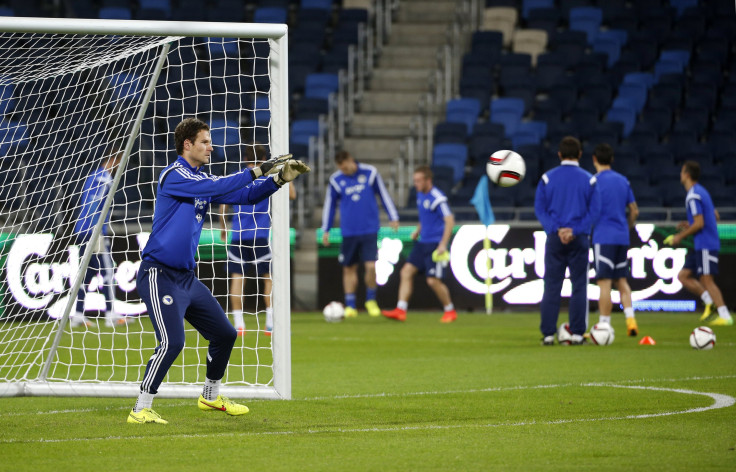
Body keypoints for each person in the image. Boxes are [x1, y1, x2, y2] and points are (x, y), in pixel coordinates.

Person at [128, 118, 310, 424]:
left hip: (185, 277)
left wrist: (278, 180)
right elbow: (221, 185)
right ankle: (140, 408)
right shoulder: (174, 175)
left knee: (224, 333)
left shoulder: (202, 180)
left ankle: (210, 397)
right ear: (187, 145)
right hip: (159, 275)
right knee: (172, 342)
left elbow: (245, 195)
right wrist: (259, 169)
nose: (211, 147)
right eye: (204, 142)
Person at [219, 144, 296, 337]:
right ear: (265, 158)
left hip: (238, 235)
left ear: (246, 158)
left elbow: (223, 205)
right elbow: (292, 195)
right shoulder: (269, 176)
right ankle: (270, 322)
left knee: (237, 278)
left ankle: (239, 324)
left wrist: (223, 228)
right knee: (267, 278)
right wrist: (286, 169)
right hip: (261, 235)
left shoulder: (238, 176)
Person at [534, 136, 601, 345]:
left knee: (552, 285)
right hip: (579, 239)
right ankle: (577, 333)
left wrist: (557, 229)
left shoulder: (547, 178)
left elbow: (540, 210)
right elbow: (595, 212)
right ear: (580, 154)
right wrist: (575, 230)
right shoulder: (589, 180)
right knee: (579, 285)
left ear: (559, 154)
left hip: (555, 239)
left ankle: (547, 334)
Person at [321, 151, 399, 318]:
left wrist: (393, 216)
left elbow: (383, 194)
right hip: (349, 231)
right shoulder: (336, 180)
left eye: (345, 167)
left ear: (351, 161)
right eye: (341, 168)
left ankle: (370, 301)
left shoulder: (370, 173)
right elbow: (330, 205)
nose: (344, 171)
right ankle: (350, 305)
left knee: (371, 266)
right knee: (349, 268)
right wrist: (325, 229)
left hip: (369, 229)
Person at [382, 165, 457, 323]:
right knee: (406, 272)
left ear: (428, 180)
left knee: (433, 281)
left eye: (418, 180)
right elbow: (426, 217)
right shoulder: (420, 195)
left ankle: (450, 311)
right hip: (422, 242)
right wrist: (418, 230)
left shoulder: (437, 198)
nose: (415, 183)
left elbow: (449, 221)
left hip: (435, 245)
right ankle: (401, 310)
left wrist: (443, 244)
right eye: (414, 180)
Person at [664, 160, 732, 326]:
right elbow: (714, 215)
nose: (680, 175)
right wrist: (690, 223)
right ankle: (709, 302)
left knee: (707, 280)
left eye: (681, 172)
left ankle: (725, 315)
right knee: (683, 276)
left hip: (706, 244)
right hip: (700, 244)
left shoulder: (693, 195)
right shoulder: (702, 191)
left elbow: (700, 223)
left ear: (687, 175)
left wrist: (680, 236)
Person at [71, 150, 130, 328]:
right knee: (107, 271)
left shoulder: (93, 176)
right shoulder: (104, 179)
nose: (119, 167)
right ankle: (111, 314)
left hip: (82, 229)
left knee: (87, 273)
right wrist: (98, 232)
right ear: (112, 159)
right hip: (93, 232)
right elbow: (93, 205)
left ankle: (78, 315)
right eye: (118, 162)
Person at [591, 143, 640, 337]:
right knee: (621, 280)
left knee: (604, 283)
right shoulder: (623, 181)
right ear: (612, 159)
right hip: (622, 237)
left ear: (594, 159)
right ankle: (631, 321)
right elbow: (634, 210)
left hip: (603, 237)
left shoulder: (593, 181)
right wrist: (626, 228)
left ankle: (604, 326)